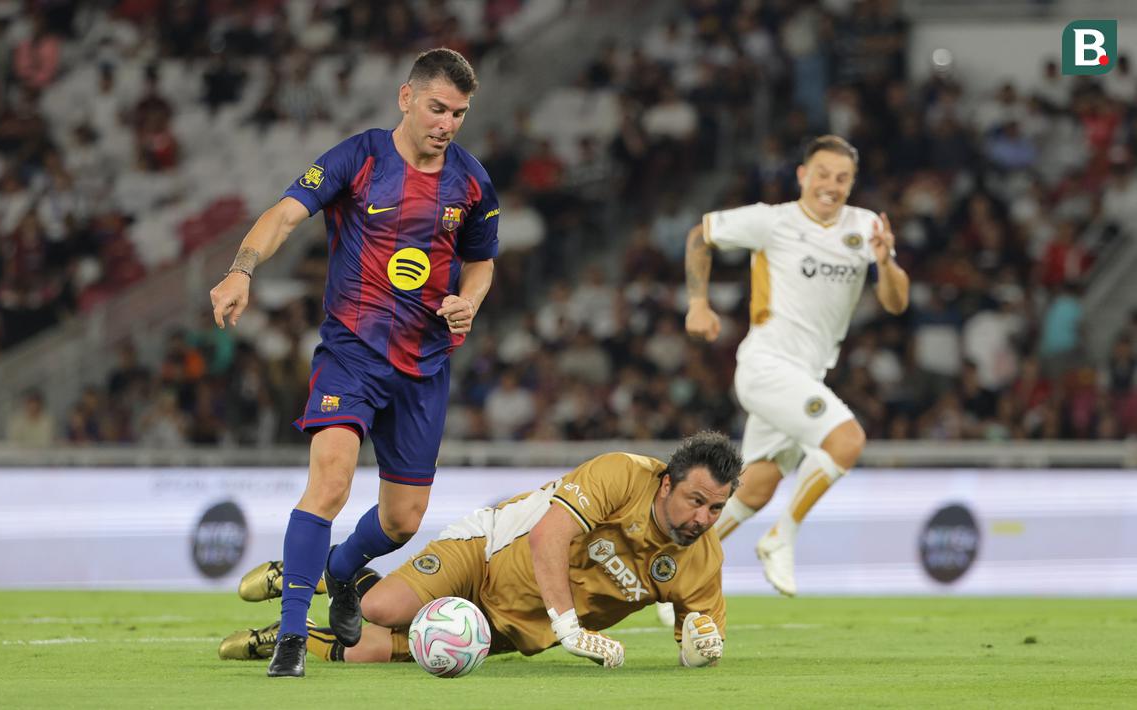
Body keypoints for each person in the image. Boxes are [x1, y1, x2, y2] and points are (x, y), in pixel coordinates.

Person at [208, 48, 499, 677]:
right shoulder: (360, 158)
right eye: (437, 107)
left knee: (403, 520)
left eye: (459, 113)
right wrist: (240, 270)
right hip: (351, 354)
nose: (447, 123)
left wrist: (468, 301)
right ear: (406, 97)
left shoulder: (471, 181)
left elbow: (482, 259)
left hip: (424, 366)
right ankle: (290, 640)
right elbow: (285, 214)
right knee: (332, 482)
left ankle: (341, 572)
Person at [218, 432, 742, 669]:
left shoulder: (702, 561)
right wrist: (571, 630)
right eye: (696, 501)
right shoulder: (623, 474)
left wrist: (700, 649)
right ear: (668, 483)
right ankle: (315, 571)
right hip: (488, 551)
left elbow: (700, 643)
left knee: (372, 650)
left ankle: (283, 639)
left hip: (513, 625)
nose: (702, 519)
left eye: (716, 509)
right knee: (382, 608)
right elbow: (548, 536)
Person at [683, 135, 910, 597]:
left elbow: (896, 302)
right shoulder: (772, 222)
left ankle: (678, 570)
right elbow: (699, 235)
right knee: (847, 440)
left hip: (805, 376)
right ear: (803, 175)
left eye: (842, 178)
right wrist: (698, 304)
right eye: (823, 174)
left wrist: (885, 263)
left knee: (756, 487)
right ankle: (781, 538)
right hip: (766, 365)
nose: (832, 185)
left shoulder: (865, 226)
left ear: (852, 183)